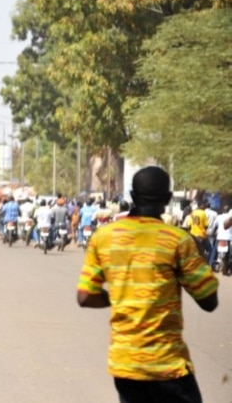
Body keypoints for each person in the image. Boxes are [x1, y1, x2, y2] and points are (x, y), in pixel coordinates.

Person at [77, 166, 218, 403]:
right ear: (167, 199)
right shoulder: (178, 240)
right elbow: (209, 301)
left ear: (132, 196)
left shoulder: (103, 237)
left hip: (125, 364)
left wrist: (124, 296)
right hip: (167, 364)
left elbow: (85, 297)